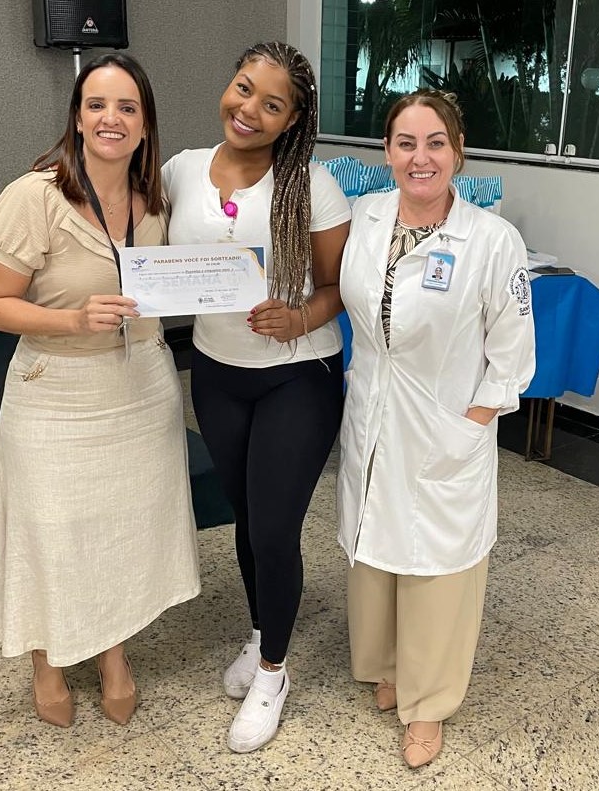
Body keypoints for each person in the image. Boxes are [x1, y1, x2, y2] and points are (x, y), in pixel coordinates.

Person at [0, 53, 200, 728]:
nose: (112, 118)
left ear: (145, 124)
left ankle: (113, 654)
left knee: (123, 532)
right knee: (52, 532)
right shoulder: (35, 196)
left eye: (127, 107)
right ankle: (46, 660)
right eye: (97, 105)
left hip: (141, 388)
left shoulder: (156, 200)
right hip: (55, 392)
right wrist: (74, 319)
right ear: (77, 117)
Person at [337, 90, 536, 769]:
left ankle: (429, 704)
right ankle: (389, 666)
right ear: (387, 151)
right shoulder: (367, 217)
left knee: (437, 569)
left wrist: (469, 426)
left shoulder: (492, 241)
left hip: (445, 427)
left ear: (458, 151)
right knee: (377, 551)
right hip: (373, 415)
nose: (419, 158)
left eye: (435, 143)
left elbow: (512, 357)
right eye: (405, 143)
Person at [162, 41, 350, 753]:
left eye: (272, 104)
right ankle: (261, 629)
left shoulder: (313, 186)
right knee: (246, 518)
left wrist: (298, 317)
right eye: (244, 89)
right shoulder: (181, 170)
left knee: (274, 528)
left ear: (292, 119)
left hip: (297, 375)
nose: (250, 110)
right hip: (216, 372)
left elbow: (337, 287)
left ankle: (274, 672)